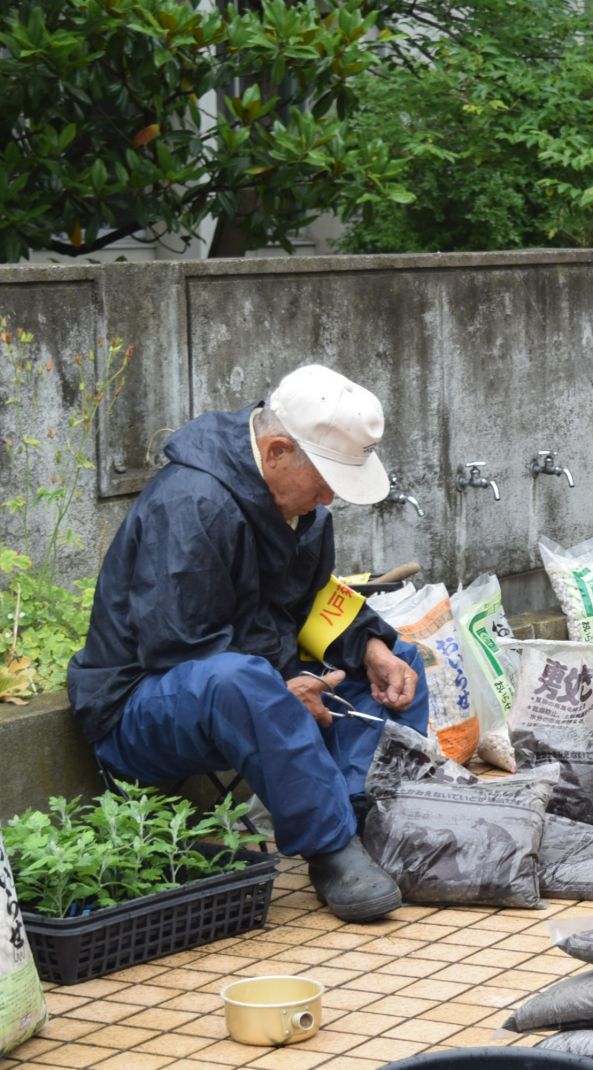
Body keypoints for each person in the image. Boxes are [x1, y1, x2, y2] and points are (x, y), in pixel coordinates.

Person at [67, 365, 429, 922]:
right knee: (242, 681)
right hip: (140, 707)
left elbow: (311, 601)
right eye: (326, 478)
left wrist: (370, 646)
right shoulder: (190, 502)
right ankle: (330, 848)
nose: (330, 495)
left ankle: (362, 821)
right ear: (279, 450)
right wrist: (288, 681)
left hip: (246, 680)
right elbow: (182, 644)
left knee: (394, 660)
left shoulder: (300, 508)